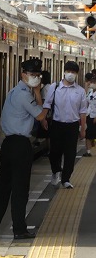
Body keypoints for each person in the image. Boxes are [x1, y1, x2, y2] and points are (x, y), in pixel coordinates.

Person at [0, 58, 46, 240]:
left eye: (37, 76)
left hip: (8, 145)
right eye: (32, 75)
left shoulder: (13, 91)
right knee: (20, 189)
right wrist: (40, 94)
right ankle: (19, 229)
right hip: (20, 146)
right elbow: (40, 115)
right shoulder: (25, 95)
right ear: (23, 74)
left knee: (4, 188)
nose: (35, 78)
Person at [43, 61, 88, 189]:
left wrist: (83, 129)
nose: (70, 74)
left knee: (70, 154)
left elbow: (83, 111)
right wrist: (43, 119)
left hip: (72, 126)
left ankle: (66, 179)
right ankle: (56, 171)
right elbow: (47, 104)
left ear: (77, 74)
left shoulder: (80, 91)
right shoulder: (55, 87)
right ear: (64, 72)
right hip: (57, 124)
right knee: (55, 152)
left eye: (73, 72)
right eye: (69, 71)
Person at [86, 73, 96, 156]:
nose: (92, 83)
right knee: (88, 134)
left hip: (95, 116)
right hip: (89, 115)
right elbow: (86, 102)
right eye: (91, 81)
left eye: (94, 82)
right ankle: (88, 152)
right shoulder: (90, 92)